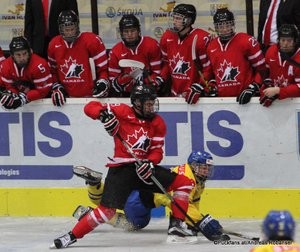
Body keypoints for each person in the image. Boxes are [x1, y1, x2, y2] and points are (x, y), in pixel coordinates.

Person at [50, 84, 195, 249]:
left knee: (184, 182)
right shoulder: (122, 111)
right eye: (147, 103)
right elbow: (90, 107)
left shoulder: (158, 122)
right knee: (107, 211)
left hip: (144, 170)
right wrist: (103, 115)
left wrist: (150, 163)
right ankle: (71, 236)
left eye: (152, 102)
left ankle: (176, 227)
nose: (151, 106)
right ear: (137, 103)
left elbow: (157, 152)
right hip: (122, 169)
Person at [72, 150, 231, 242]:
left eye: (207, 168)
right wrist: (200, 221)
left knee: (104, 200)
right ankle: (88, 212)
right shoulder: (186, 179)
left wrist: (195, 223)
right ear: (194, 166)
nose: (206, 172)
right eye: (203, 168)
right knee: (136, 224)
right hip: (137, 201)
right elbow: (176, 204)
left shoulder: (194, 179)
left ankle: (95, 184)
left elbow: (191, 205)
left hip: (136, 191)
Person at [48, 10, 109, 106]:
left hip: (92, 97)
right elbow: (52, 71)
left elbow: (103, 69)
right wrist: (57, 87)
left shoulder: (91, 41)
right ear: (60, 29)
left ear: (77, 26)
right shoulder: (53, 44)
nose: (70, 33)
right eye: (66, 30)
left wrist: (103, 81)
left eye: (72, 29)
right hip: (67, 100)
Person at [206, 8, 267, 104]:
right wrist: (212, 85)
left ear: (233, 24)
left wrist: (254, 86)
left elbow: (262, 69)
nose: (225, 29)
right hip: (222, 100)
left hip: (247, 99)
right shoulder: (211, 46)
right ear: (216, 27)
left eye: (228, 25)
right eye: (221, 26)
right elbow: (212, 73)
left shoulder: (246, 41)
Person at [159, 3, 214, 104]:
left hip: (196, 96)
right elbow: (167, 64)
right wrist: (160, 77)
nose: (174, 21)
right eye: (174, 18)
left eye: (178, 19)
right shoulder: (167, 37)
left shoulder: (201, 38)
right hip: (174, 96)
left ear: (188, 20)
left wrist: (198, 86)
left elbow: (208, 69)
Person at [109, 14, 164, 97]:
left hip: (149, 92)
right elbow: (113, 79)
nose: (130, 34)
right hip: (126, 95)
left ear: (138, 31)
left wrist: (147, 81)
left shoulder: (152, 45)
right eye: (126, 31)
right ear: (121, 33)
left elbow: (157, 72)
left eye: (133, 30)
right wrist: (125, 80)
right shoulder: (115, 51)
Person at [0, 36, 52, 110]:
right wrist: (11, 95)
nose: (22, 58)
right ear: (12, 55)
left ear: (30, 52)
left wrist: (25, 98)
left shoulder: (40, 65)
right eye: (18, 55)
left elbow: (43, 91)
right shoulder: (5, 66)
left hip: (41, 103)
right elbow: (10, 87)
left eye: (24, 53)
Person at [260, 24, 300, 107]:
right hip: (277, 99)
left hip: (295, 105)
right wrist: (265, 87)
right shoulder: (271, 51)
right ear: (278, 40)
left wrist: (278, 91)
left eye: (289, 40)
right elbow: (265, 74)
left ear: (295, 41)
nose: (285, 44)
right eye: (283, 40)